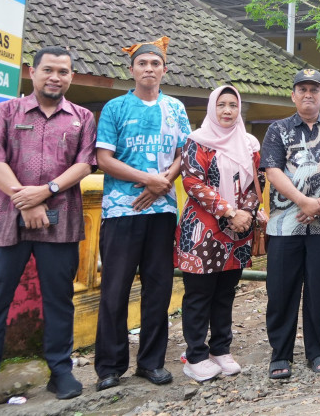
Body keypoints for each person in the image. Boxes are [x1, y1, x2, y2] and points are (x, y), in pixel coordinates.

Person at [0, 47, 97, 416]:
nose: (55, 77)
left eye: (63, 71)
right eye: (48, 70)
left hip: (60, 223)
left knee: (59, 300)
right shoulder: (5, 112)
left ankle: (60, 372)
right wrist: (27, 200)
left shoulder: (82, 117)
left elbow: (85, 164)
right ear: (32, 73)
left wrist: (46, 192)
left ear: (71, 77)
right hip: (6, 221)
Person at [94, 36, 191, 391]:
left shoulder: (175, 108)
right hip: (121, 211)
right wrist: (147, 179)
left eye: (155, 63)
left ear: (164, 69)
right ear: (132, 69)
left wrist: (163, 182)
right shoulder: (115, 108)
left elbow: (184, 153)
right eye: (142, 63)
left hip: (162, 211)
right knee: (115, 290)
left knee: (158, 289)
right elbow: (103, 159)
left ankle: (150, 362)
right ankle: (109, 367)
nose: (149, 69)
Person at [261, 69, 320, 379]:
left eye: (314, 89)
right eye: (302, 89)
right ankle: (280, 354)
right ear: (293, 95)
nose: (308, 94)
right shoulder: (278, 130)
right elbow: (272, 170)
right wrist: (302, 201)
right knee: (281, 290)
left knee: (319, 289)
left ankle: (318, 351)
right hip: (285, 224)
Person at [176, 85, 261, 381]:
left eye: (233, 105)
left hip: (238, 231)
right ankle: (195, 355)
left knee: (226, 293)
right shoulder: (197, 141)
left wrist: (246, 213)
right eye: (221, 105)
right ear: (212, 108)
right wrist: (229, 212)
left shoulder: (249, 144)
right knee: (199, 294)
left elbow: (256, 183)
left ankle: (221, 349)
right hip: (203, 229)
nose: (227, 111)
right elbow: (192, 183)